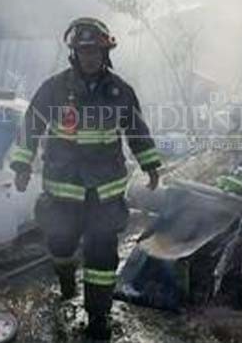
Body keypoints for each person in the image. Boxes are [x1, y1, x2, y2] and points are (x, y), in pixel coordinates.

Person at [9, 17, 161, 341]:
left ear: (105, 53)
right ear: (74, 53)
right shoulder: (54, 89)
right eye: (83, 51)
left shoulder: (120, 91)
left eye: (95, 51)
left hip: (104, 192)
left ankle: (98, 318)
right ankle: (65, 279)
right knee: (60, 244)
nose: (89, 57)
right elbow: (30, 125)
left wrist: (150, 165)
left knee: (102, 257)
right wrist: (22, 165)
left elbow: (137, 131)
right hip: (63, 190)